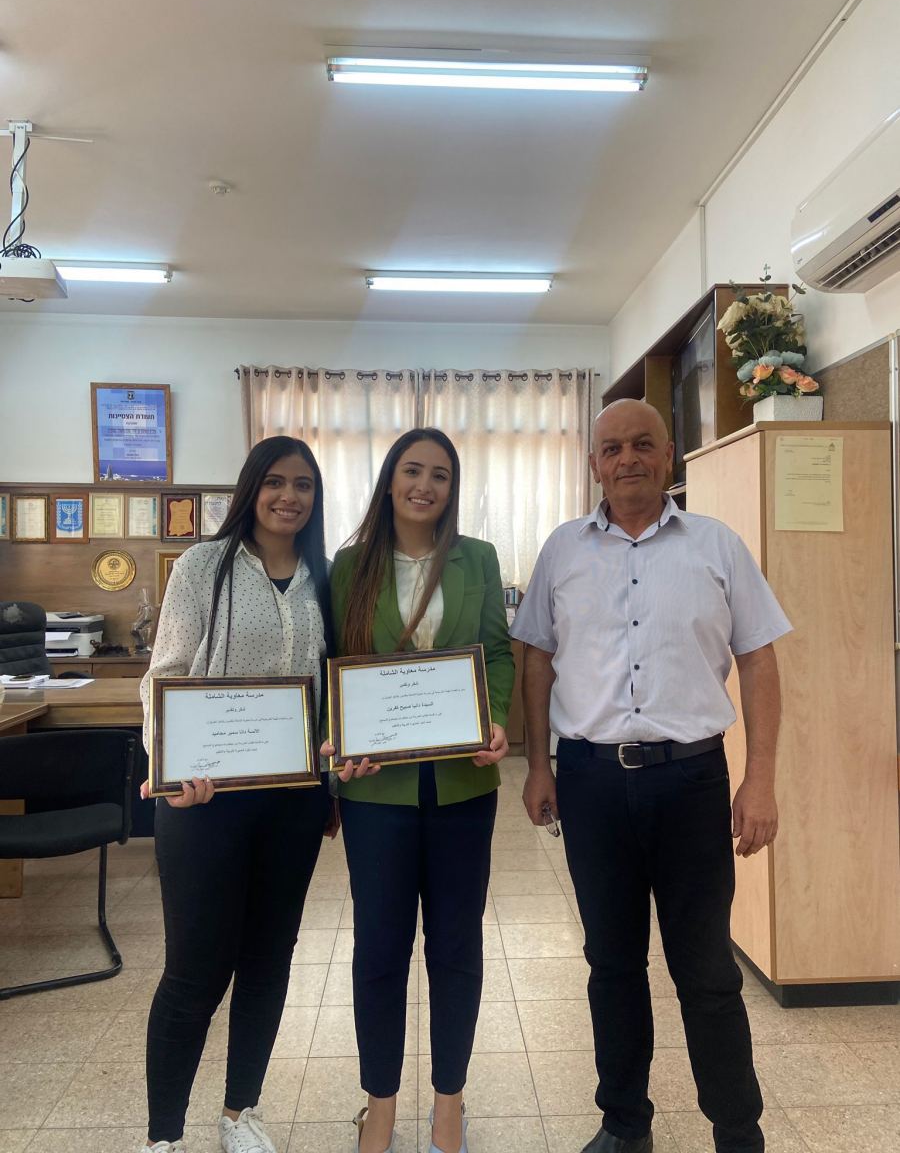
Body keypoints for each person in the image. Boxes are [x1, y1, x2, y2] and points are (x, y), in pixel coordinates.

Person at [511, 400, 791, 1153]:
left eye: (643, 444)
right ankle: (624, 1124)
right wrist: (538, 765)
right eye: (612, 448)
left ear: (669, 456)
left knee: (706, 969)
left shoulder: (716, 545)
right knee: (612, 964)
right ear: (594, 465)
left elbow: (760, 659)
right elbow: (536, 661)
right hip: (591, 783)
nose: (627, 458)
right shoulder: (562, 550)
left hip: (691, 781)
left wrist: (760, 779)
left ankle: (738, 1130)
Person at [138, 436, 334, 1153]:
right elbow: (166, 673)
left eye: (303, 485)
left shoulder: (324, 577)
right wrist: (170, 766)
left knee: (268, 962)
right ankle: (163, 1136)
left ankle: (239, 1113)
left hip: (293, 802)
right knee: (194, 971)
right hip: (205, 801)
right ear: (251, 488)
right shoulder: (202, 566)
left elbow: (331, 688)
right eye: (276, 481)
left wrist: (332, 775)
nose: (289, 496)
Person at [324, 427, 514, 1153]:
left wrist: (497, 717)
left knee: (456, 946)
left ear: (451, 488)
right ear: (390, 480)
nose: (424, 485)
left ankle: (448, 1103)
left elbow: (498, 651)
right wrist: (337, 744)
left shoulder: (478, 558)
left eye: (440, 474)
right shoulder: (350, 565)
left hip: (464, 786)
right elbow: (334, 663)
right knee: (379, 948)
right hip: (377, 794)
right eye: (412, 470)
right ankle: (379, 1103)